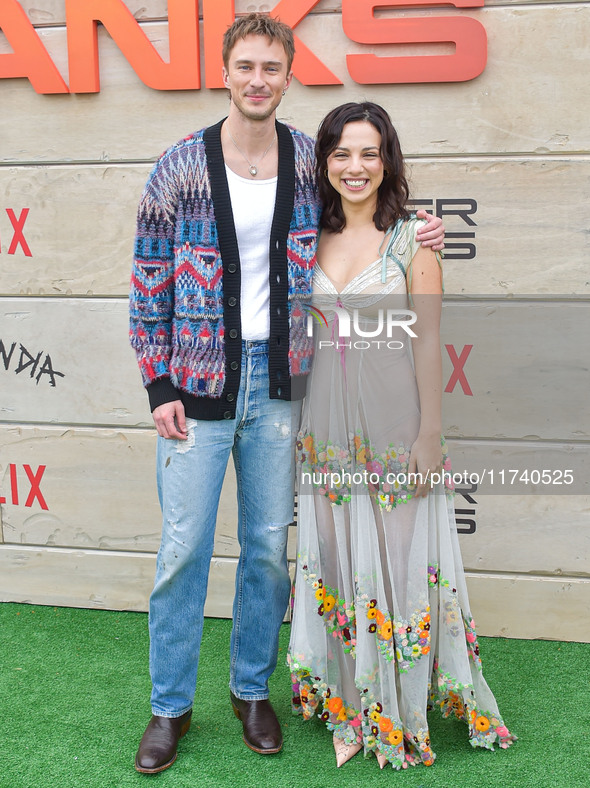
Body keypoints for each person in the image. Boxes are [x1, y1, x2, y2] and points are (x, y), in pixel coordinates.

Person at [129, 14, 445, 774]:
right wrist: (158, 383)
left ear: (289, 72)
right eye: (246, 66)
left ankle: (250, 690)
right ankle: (169, 707)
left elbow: (361, 208)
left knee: (269, 550)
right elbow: (147, 281)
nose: (258, 79)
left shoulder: (309, 160)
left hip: (281, 389)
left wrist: (416, 230)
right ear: (226, 72)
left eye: (272, 66)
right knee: (182, 552)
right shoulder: (176, 167)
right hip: (196, 390)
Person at [288, 102, 515, 770]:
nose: (354, 168)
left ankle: (396, 710)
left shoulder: (412, 239)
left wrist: (429, 436)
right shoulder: (305, 237)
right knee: (333, 564)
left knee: (394, 569)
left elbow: (429, 343)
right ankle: (349, 707)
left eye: (368, 153)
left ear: (386, 161)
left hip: (393, 429)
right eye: (340, 154)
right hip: (324, 432)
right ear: (323, 162)